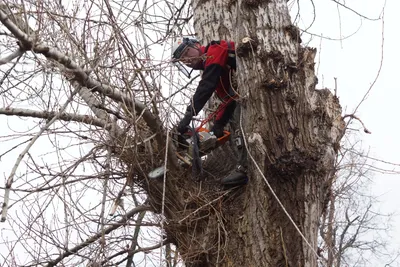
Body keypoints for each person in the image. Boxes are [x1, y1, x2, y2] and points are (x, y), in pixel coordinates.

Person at [172, 37, 237, 138]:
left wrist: (189, 113)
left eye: (187, 52)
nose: (187, 59)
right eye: (182, 59)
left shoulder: (214, 49)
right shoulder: (215, 73)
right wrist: (219, 124)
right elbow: (228, 98)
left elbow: (207, 85)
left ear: (197, 45)